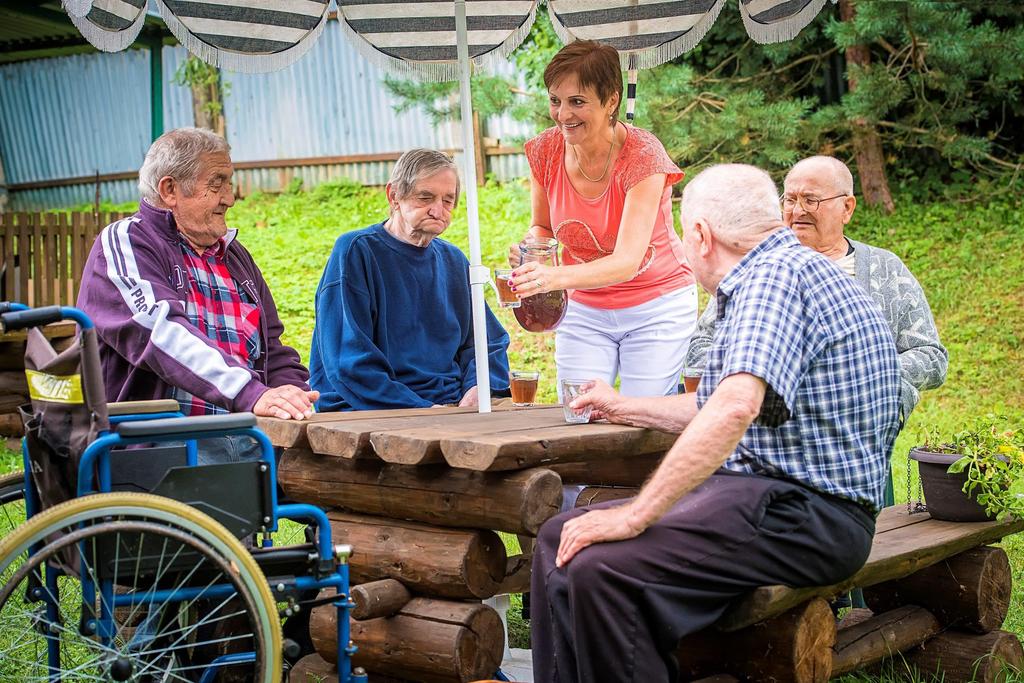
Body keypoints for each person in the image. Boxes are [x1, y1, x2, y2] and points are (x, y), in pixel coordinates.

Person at [529, 164, 902, 683]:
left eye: (684, 235)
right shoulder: (778, 273)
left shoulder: (774, 279)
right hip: (779, 501)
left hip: (809, 514)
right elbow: (715, 402)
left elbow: (734, 408)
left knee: (603, 570)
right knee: (559, 536)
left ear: (702, 236)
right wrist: (620, 405)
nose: (684, 248)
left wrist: (636, 516)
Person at [78, 127, 317, 463]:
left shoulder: (235, 258)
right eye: (216, 184)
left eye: (229, 184)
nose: (230, 198)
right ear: (170, 189)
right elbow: (159, 333)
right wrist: (250, 393)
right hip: (163, 438)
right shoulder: (127, 242)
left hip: (247, 432)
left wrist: (291, 394)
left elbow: (272, 348)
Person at [685, 155, 947, 422]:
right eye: (789, 200)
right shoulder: (758, 265)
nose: (798, 211)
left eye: (811, 200)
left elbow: (931, 358)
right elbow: (701, 347)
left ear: (847, 207)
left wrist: (862, 374)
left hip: (860, 425)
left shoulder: (885, 269)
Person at [508, 40, 697, 398]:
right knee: (579, 411)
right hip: (584, 307)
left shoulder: (643, 157)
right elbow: (543, 227)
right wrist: (532, 252)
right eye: (555, 100)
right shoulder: (544, 150)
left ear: (611, 100)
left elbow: (627, 261)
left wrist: (553, 275)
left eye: (577, 101)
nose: (563, 114)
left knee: (644, 418)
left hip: (656, 305)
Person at [309, 148, 510, 411]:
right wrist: (420, 409)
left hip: (451, 403)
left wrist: (477, 387)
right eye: (425, 197)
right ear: (394, 196)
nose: (438, 210)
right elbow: (349, 361)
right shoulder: (356, 251)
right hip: (372, 407)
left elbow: (488, 342)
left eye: (448, 200)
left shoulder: (454, 260)